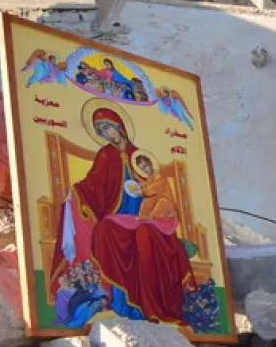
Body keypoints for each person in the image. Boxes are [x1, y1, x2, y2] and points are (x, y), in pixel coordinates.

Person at [52, 107, 194, 325]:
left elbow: (157, 186)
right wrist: (76, 191)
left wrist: (144, 193)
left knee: (146, 237)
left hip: (145, 213)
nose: (107, 133)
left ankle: (147, 305)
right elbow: (95, 183)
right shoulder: (106, 155)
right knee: (104, 230)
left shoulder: (139, 155)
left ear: (119, 126)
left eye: (108, 127)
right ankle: (121, 302)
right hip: (119, 214)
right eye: (101, 130)